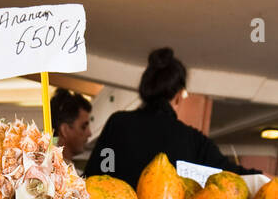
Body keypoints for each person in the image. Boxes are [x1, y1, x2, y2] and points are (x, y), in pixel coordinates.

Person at [85, 47, 256, 187]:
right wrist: (275, 180)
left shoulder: (118, 123)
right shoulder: (193, 140)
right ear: (179, 95)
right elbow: (233, 175)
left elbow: (92, 177)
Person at [51, 89, 93, 166]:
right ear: (65, 130)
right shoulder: (55, 172)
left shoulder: (67, 167)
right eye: (83, 127)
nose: (89, 133)